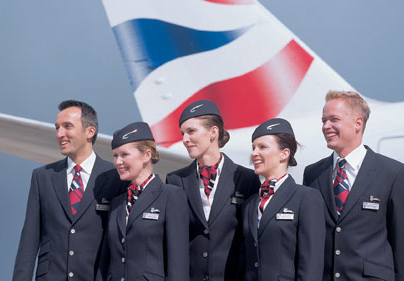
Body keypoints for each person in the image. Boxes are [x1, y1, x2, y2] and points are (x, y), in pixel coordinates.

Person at [303, 90, 404, 281]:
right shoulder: (313, 173)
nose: (326, 126)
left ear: (358, 123)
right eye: (324, 121)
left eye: (334, 119)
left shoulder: (393, 173)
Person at [13, 100, 125, 281]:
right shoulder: (42, 177)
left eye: (67, 126)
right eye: (57, 128)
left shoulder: (115, 178)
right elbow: (29, 241)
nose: (59, 134)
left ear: (90, 131)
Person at [166, 100, 260, 281]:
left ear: (213, 132)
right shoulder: (175, 180)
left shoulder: (246, 179)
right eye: (182, 133)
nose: (185, 139)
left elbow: (249, 241)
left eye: (191, 131)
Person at [97, 122, 189, 281]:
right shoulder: (117, 203)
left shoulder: (170, 196)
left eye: (124, 155)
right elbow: (106, 262)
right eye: (115, 155)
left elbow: (178, 263)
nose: (117, 162)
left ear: (147, 155)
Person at [242, 118, 325, 281]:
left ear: (284, 153)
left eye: (262, 147)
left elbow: (311, 265)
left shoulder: (306, 198)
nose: (254, 153)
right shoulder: (250, 204)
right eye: (253, 148)